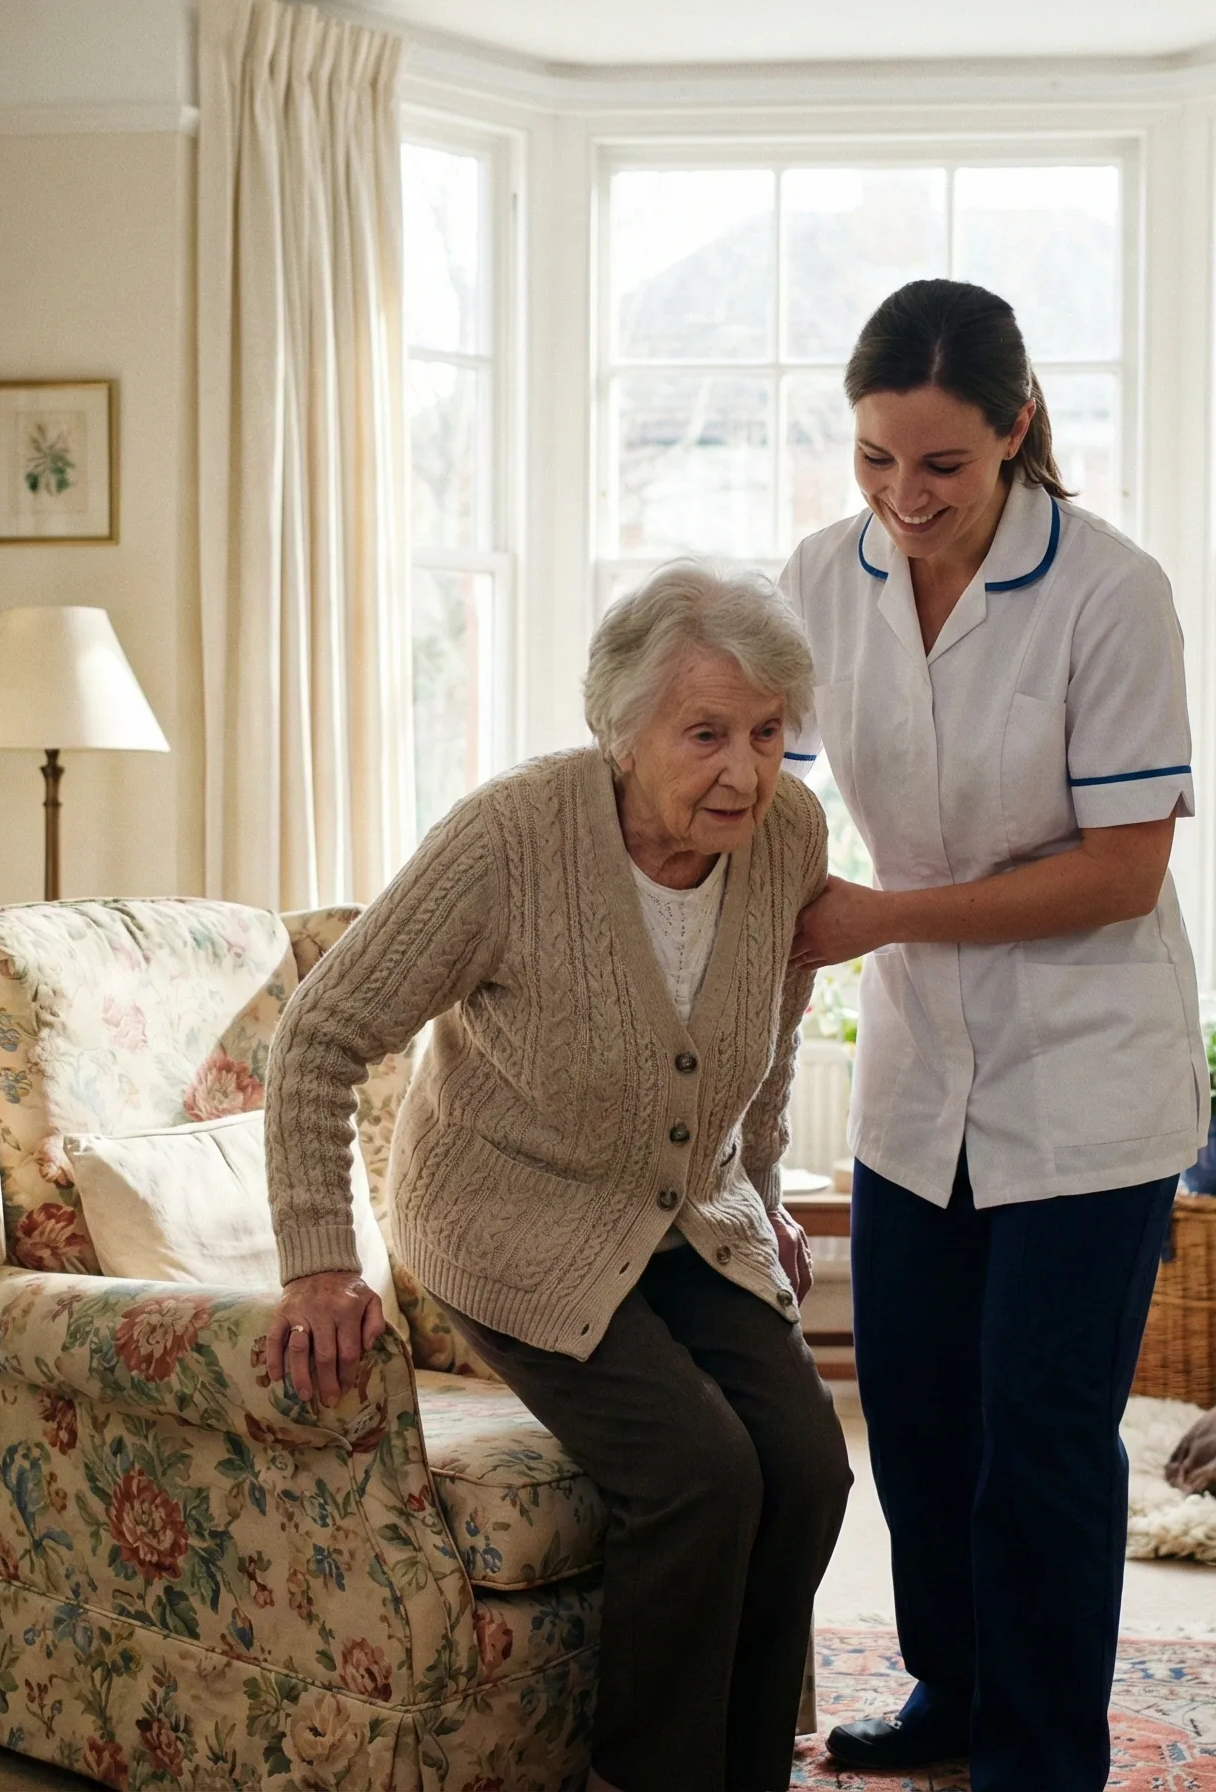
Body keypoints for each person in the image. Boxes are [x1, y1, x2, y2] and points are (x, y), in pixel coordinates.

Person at [261, 564, 851, 1792]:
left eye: (766, 731)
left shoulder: (790, 834)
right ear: (620, 731)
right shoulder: (509, 839)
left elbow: (769, 1040)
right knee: (700, 1472)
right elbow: (318, 1037)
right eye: (705, 734)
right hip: (506, 1215)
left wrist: (764, 1188)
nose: (744, 769)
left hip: (687, 1213)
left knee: (808, 1467)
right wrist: (319, 1258)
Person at [781, 278, 1206, 1792]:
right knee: (918, 1417)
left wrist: (881, 918)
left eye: (942, 465)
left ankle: (1038, 1754)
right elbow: (773, 780)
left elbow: (1122, 870)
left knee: (1039, 1433)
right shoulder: (823, 580)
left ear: (1017, 431)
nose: (904, 498)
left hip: (1085, 1081)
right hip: (919, 1087)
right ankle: (955, 1695)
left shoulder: (1109, 588)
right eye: (875, 459)